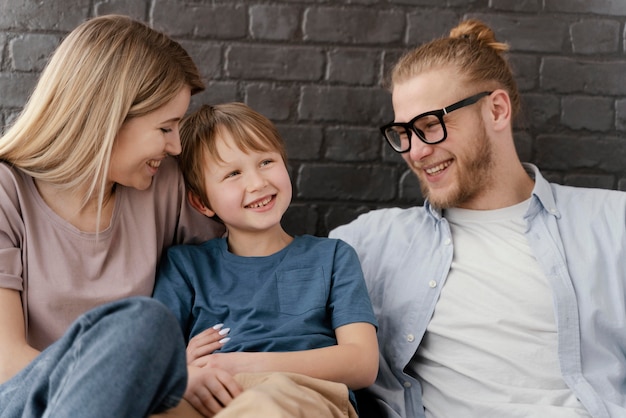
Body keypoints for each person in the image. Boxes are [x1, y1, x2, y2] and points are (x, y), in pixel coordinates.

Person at [329, 18, 626, 418]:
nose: (415, 152)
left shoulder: (612, 222)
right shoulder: (372, 242)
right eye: (404, 133)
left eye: (431, 125)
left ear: (497, 110)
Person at [0, 15, 225, 417]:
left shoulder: (166, 186)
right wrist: (145, 374)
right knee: (144, 326)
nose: (176, 146)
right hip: (21, 399)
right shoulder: (6, 190)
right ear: (108, 117)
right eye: (166, 128)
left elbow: (235, 277)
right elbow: (5, 361)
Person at [152, 102, 379, 417]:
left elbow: (363, 363)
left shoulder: (333, 257)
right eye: (233, 173)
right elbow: (152, 363)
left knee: (264, 406)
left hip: (302, 393)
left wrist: (241, 364)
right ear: (202, 202)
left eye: (266, 161)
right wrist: (183, 367)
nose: (257, 183)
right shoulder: (185, 267)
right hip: (210, 395)